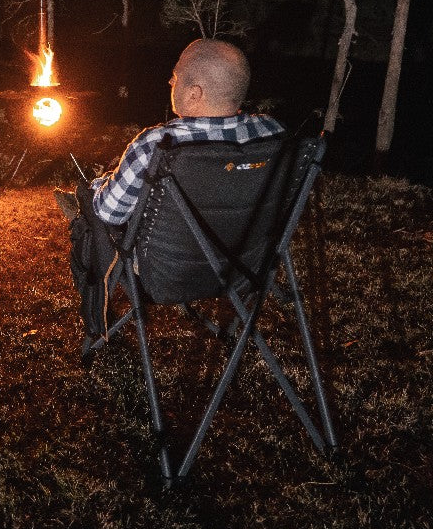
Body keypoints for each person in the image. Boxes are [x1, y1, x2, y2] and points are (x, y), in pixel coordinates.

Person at [55, 39, 285, 338]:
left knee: (90, 212)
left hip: (168, 273)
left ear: (194, 93)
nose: (169, 81)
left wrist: (99, 184)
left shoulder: (157, 143)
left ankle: (96, 320)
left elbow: (109, 212)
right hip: (246, 268)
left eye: (175, 77)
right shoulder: (273, 135)